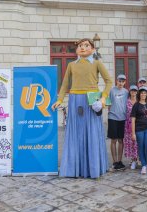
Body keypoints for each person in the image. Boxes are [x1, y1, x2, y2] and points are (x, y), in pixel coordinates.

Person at [52, 38, 112, 179]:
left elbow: (109, 81)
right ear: (77, 49)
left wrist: (103, 98)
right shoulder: (72, 65)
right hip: (74, 100)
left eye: (86, 45)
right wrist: (59, 99)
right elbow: (65, 84)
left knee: (91, 132)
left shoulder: (97, 63)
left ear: (92, 49)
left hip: (92, 100)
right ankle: (73, 169)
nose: (83, 48)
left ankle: (93, 168)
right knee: (75, 133)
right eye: (80, 46)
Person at [108, 74, 129, 171]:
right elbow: (108, 103)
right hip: (113, 117)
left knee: (121, 140)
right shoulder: (112, 91)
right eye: (119, 81)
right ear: (116, 81)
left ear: (125, 82)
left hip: (122, 118)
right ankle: (114, 161)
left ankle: (120, 161)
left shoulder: (126, 92)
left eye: (123, 81)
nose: (121, 83)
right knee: (113, 140)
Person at [131, 86, 147, 174]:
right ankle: (144, 165)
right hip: (139, 129)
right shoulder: (136, 105)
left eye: (144, 93)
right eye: (141, 93)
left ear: (146, 94)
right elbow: (133, 120)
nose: (143, 94)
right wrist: (133, 133)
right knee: (141, 147)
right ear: (139, 94)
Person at [124, 85, 138, 170]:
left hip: (138, 125)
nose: (133, 92)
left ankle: (137, 159)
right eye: (132, 91)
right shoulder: (127, 101)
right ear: (130, 92)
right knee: (130, 143)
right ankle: (133, 160)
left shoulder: (139, 101)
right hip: (128, 125)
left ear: (137, 92)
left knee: (137, 143)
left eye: (135, 91)